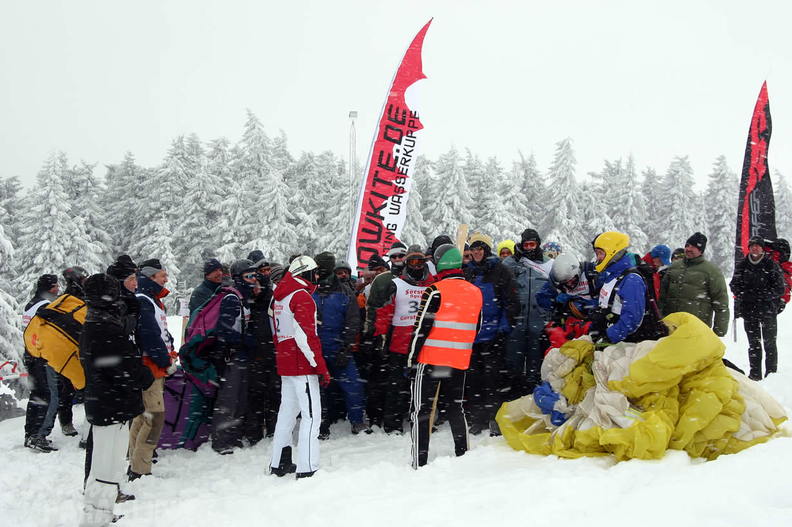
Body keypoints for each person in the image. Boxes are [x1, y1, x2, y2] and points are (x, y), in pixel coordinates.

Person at [79, 272, 153, 527]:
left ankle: (100, 512)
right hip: (111, 405)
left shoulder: (95, 322)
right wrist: (143, 376)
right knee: (106, 466)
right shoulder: (105, 327)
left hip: (105, 403)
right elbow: (123, 366)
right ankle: (96, 518)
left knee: (107, 464)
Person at [408, 244, 483, 469]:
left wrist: (411, 360)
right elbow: (477, 327)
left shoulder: (435, 290)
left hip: (430, 360)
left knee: (422, 410)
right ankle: (462, 454)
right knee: (455, 407)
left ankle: (419, 461)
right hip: (458, 361)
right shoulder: (475, 291)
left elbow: (421, 327)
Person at [269, 256, 331, 478]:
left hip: (286, 362)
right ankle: (308, 467)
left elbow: (277, 333)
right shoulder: (302, 296)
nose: (317, 277)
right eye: (315, 273)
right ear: (305, 273)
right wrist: (320, 367)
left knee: (287, 414)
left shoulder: (280, 296)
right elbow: (306, 337)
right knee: (311, 417)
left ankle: (279, 462)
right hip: (301, 365)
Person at [374, 245, 435, 435]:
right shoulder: (397, 284)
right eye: (412, 262)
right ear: (406, 264)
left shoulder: (433, 285)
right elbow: (384, 312)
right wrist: (381, 336)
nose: (416, 266)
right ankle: (392, 423)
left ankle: (424, 420)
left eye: (420, 262)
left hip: (425, 342)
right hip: (401, 343)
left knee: (424, 384)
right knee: (396, 385)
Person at [463, 233, 518, 435]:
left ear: (486, 250)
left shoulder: (500, 271)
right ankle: (478, 419)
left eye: (480, 248)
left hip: (493, 336)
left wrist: (503, 328)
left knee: (493, 380)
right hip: (471, 336)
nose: (477, 252)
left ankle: (495, 419)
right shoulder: (467, 272)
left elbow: (511, 302)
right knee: (474, 379)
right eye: (474, 248)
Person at [128, 258, 176, 478]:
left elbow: (161, 332)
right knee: (154, 417)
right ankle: (140, 468)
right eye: (162, 275)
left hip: (152, 364)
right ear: (150, 277)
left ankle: (135, 461)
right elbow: (149, 335)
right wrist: (165, 361)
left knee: (143, 416)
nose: (166, 279)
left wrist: (170, 349)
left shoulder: (152, 300)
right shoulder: (145, 300)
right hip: (150, 366)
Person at [311, 252, 366, 437]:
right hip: (315, 348)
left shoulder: (344, 290)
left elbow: (352, 320)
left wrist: (346, 346)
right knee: (317, 389)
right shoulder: (311, 289)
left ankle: (357, 421)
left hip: (338, 346)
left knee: (353, 386)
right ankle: (320, 425)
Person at [210, 259, 258, 454]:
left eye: (254, 276)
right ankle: (222, 440)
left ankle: (234, 435)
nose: (253, 280)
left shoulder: (244, 297)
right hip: (231, 356)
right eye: (248, 276)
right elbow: (224, 329)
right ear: (239, 278)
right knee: (229, 399)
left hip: (241, 354)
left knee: (240, 398)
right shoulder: (232, 298)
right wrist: (244, 340)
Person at [589, 231, 667, 343]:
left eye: (601, 253)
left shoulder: (632, 280)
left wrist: (609, 337)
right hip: (613, 336)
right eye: (597, 254)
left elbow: (632, 319)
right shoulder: (612, 275)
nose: (598, 258)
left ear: (613, 253)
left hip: (628, 343)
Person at [502, 229, 553, 397]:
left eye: (533, 244)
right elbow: (500, 282)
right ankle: (511, 396)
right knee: (513, 361)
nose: (530, 248)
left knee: (535, 361)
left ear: (538, 244)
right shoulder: (512, 262)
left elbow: (554, 289)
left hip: (538, 321)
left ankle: (532, 394)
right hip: (516, 320)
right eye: (526, 244)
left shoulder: (547, 264)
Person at [730, 237, 785, 380]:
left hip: (768, 310)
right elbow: (734, 285)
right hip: (749, 311)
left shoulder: (770, 265)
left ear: (762, 248)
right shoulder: (742, 265)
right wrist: (746, 295)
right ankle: (755, 374)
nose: (755, 248)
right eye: (752, 245)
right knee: (753, 344)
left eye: (758, 246)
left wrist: (763, 295)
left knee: (770, 343)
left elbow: (780, 288)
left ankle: (772, 374)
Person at [659, 232, 730, 337]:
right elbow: (662, 296)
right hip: (671, 326)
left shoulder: (711, 271)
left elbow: (721, 301)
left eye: (693, 247)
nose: (688, 249)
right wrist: (659, 317)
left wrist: (719, 329)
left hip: (696, 328)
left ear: (700, 251)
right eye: (687, 245)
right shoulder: (674, 267)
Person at [22, 274, 61, 452]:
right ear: (48, 288)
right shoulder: (45, 306)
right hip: (41, 357)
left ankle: (30, 433)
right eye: (54, 286)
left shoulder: (32, 304)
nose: (58, 289)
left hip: (30, 355)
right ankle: (38, 436)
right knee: (46, 395)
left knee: (36, 395)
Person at [244, 255, 279, 443]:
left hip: (270, 352)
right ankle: (254, 432)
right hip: (255, 353)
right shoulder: (247, 300)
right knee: (255, 394)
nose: (255, 288)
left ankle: (273, 428)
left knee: (273, 392)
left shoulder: (271, 300)